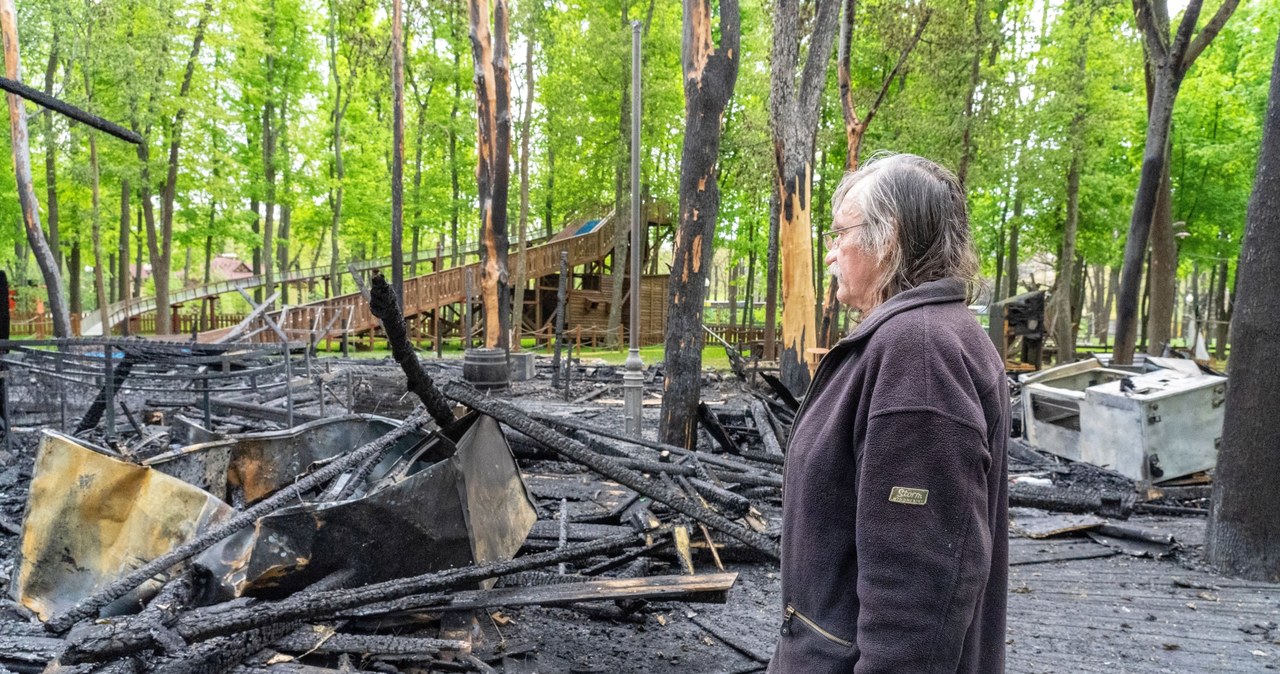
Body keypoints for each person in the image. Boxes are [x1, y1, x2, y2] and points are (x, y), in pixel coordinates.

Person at [769, 153, 1009, 673]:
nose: (830, 255)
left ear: (889, 237)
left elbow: (917, 590)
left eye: (839, 235)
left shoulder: (917, 352)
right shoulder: (927, 335)